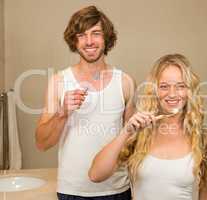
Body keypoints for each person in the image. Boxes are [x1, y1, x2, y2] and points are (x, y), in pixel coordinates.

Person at [35, 5, 134, 200]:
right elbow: (41, 143)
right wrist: (63, 112)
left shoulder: (125, 82)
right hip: (72, 191)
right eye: (81, 35)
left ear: (106, 38)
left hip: (117, 190)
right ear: (74, 40)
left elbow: (132, 141)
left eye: (96, 33)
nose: (89, 41)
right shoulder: (58, 81)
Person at [89, 54, 207, 200]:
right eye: (164, 86)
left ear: (189, 90)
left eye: (180, 86)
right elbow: (95, 175)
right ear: (154, 90)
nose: (172, 94)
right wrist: (126, 132)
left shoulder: (205, 138)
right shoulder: (139, 132)